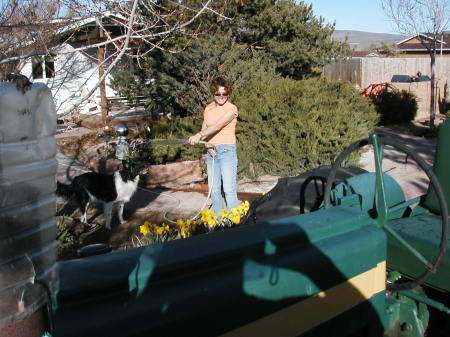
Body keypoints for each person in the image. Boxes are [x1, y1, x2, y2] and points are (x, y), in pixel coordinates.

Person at [188, 77, 239, 217]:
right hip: (211, 152)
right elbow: (205, 130)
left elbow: (217, 126)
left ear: (228, 93)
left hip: (227, 151)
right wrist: (206, 145)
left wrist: (198, 135)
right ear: (213, 93)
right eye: (218, 94)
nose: (221, 97)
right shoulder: (209, 108)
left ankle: (234, 222)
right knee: (214, 190)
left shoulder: (232, 108)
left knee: (229, 189)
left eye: (224, 94)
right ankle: (218, 221)